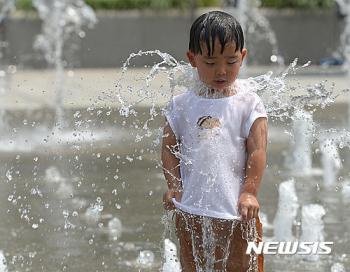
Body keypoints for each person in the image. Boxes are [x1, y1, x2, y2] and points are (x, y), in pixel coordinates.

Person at [162, 11, 267, 271]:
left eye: (231, 61)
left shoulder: (248, 103)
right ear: (192, 59)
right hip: (191, 212)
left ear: (242, 57)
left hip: (237, 214)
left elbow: (258, 149)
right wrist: (175, 185)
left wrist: (249, 192)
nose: (221, 71)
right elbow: (168, 148)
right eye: (210, 62)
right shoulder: (182, 104)